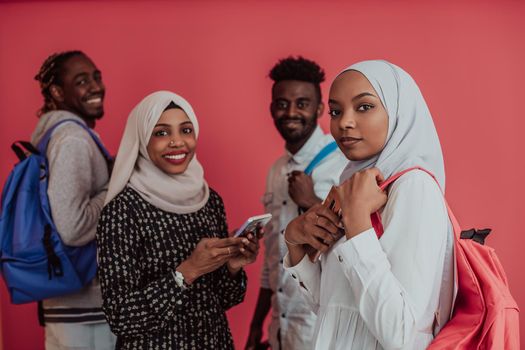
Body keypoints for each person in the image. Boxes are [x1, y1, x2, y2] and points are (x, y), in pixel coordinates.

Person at [283, 60, 455, 350]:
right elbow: (333, 309)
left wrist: (358, 221)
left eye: (364, 107)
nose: (344, 122)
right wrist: (295, 243)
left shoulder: (413, 187)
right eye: (336, 111)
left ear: (399, 110)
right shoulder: (354, 186)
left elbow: (402, 334)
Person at [97, 91, 259, 349]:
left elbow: (224, 300)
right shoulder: (122, 210)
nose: (177, 142)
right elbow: (121, 317)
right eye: (161, 133)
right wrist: (188, 271)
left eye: (186, 130)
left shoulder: (209, 200)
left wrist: (233, 267)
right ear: (142, 139)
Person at [246, 57, 347, 350]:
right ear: (271, 108)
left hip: (323, 328)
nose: (291, 112)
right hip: (282, 327)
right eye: (282, 103)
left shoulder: (341, 164)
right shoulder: (277, 170)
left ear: (318, 109)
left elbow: (358, 244)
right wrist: (257, 324)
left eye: (302, 103)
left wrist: (310, 202)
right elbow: (272, 257)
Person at [31, 50, 116, 349]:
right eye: (81, 81)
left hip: (70, 306)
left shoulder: (61, 135)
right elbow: (73, 226)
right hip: (84, 312)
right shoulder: (72, 139)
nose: (95, 86)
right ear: (57, 91)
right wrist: (117, 187)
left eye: (96, 77)